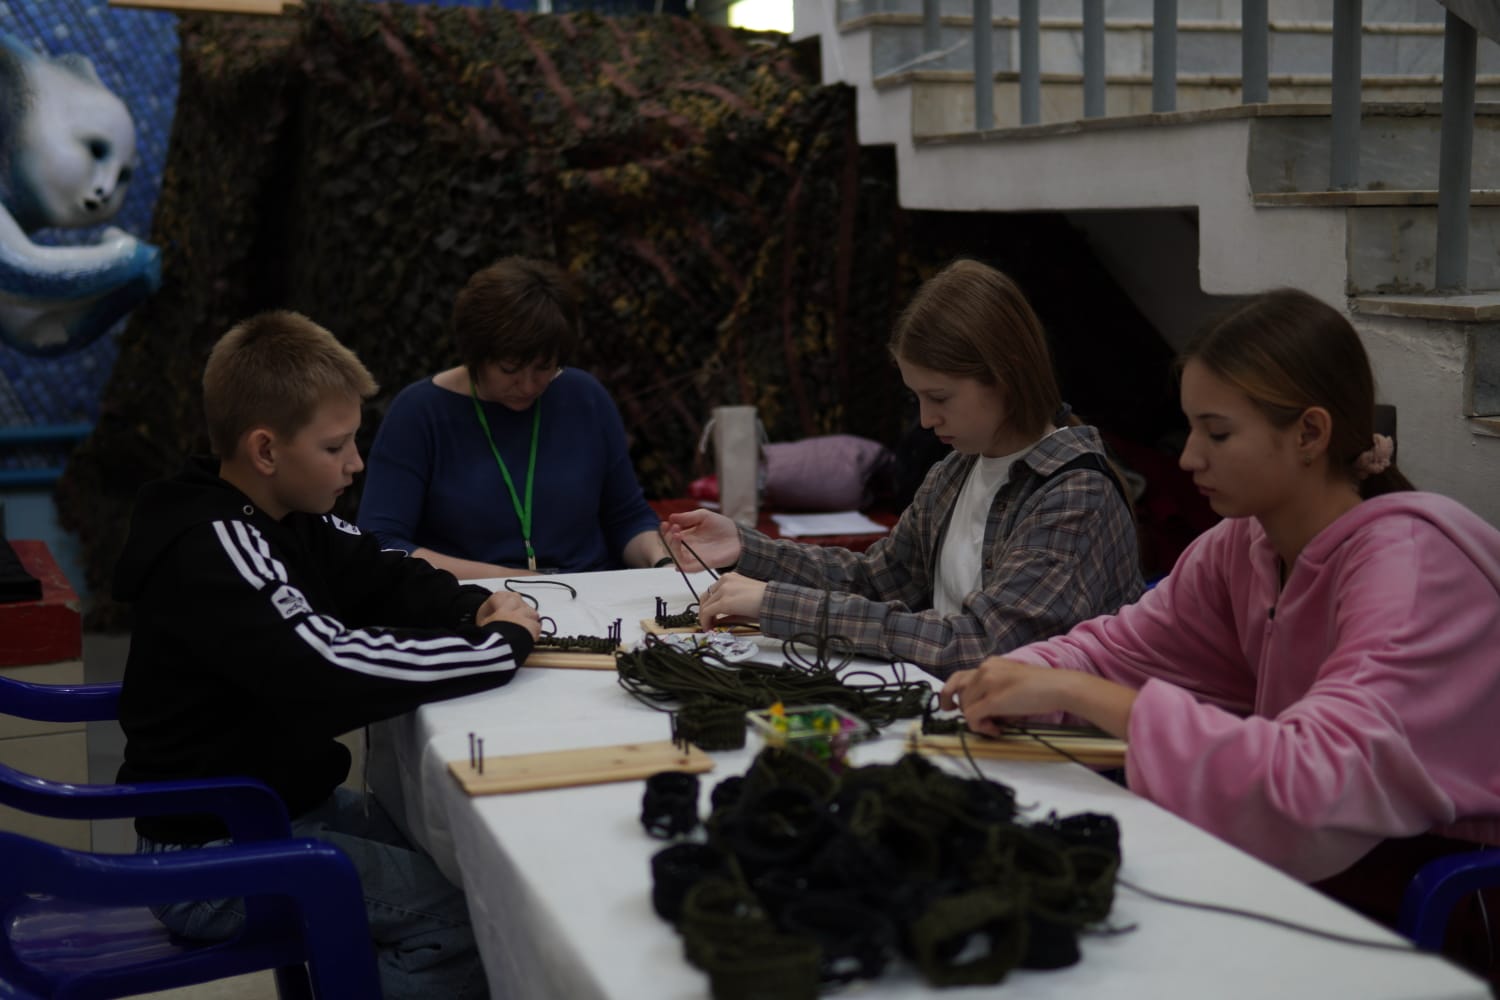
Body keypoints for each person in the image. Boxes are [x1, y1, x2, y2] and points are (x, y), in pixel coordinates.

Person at [940, 288, 1500, 983]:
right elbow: (1121, 648)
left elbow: (1312, 779)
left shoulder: (1408, 570)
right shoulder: (1243, 545)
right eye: (1190, 429)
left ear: (1310, 434)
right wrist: (1013, 680)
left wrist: (1077, 692)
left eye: (1218, 433)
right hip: (1333, 865)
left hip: (1443, 903)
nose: (1188, 459)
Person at [114, 311, 542, 1000]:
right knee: (464, 918)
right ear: (266, 450)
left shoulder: (291, 517)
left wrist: (473, 606)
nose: (356, 462)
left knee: (475, 863)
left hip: (273, 809)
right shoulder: (215, 546)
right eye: (336, 446)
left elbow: (382, 572)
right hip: (208, 856)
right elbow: (328, 665)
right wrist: (496, 647)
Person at [664, 259, 1143, 679]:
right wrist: (747, 548)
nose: (926, 420)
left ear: (1006, 374)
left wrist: (777, 605)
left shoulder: (1075, 496)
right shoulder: (957, 470)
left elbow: (983, 648)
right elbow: (875, 580)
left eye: (939, 397)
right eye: (917, 398)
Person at [358, 256, 669, 577]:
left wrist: (661, 560)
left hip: (589, 591)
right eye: (509, 369)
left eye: (544, 368)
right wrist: (518, 580)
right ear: (476, 355)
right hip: (473, 598)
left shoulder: (585, 398)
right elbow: (382, 544)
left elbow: (627, 518)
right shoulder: (419, 413)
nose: (528, 385)